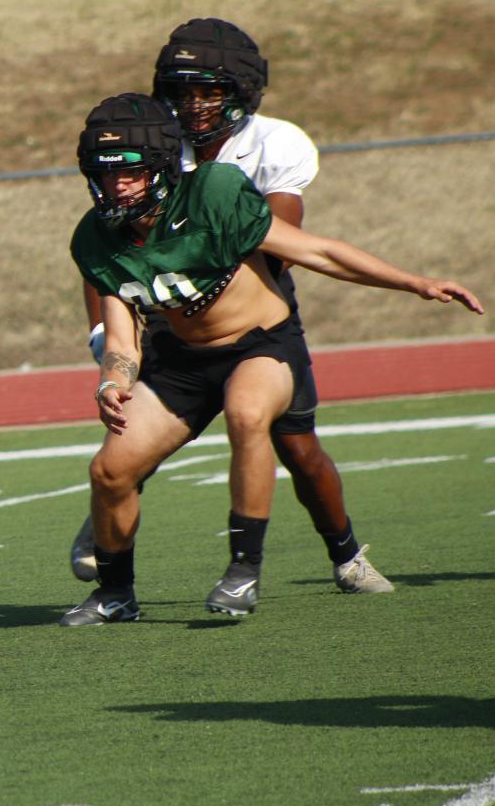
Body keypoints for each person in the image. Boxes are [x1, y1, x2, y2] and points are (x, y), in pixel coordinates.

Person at [61, 93, 480, 626]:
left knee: (248, 414)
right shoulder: (96, 237)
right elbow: (121, 338)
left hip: (260, 343)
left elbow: (317, 251)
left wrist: (414, 283)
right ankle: (116, 594)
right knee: (109, 470)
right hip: (182, 361)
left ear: (163, 168)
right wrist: (111, 383)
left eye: (132, 173)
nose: (117, 185)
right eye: (105, 174)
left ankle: (243, 570)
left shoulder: (213, 194)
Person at [70, 17, 393, 595]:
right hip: (168, 310)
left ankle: (345, 555)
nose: (192, 105)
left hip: (251, 304)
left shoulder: (275, 143)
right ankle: (112, 515)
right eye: (181, 90)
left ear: (239, 90)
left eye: (207, 90)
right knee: (135, 440)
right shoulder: (152, 141)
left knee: (294, 445)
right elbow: (108, 247)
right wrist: (108, 338)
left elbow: (283, 245)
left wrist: (200, 271)